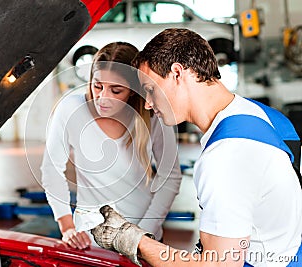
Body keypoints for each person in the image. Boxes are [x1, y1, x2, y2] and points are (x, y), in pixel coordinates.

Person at [91, 29, 302, 266]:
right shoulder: (260, 114)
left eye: (150, 89)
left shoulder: (225, 158)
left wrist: (133, 239)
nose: (148, 104)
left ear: (177, 73)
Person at [40, 41, 182, 250]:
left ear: (133, 90)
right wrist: (67, 226)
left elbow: (171, 175)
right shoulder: (70, 109)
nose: (103, 98)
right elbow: (51, 169)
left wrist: (142, 235)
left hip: (145, 235)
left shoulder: (153, 116)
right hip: (89, 240)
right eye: (98, 86)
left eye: (116, 90)